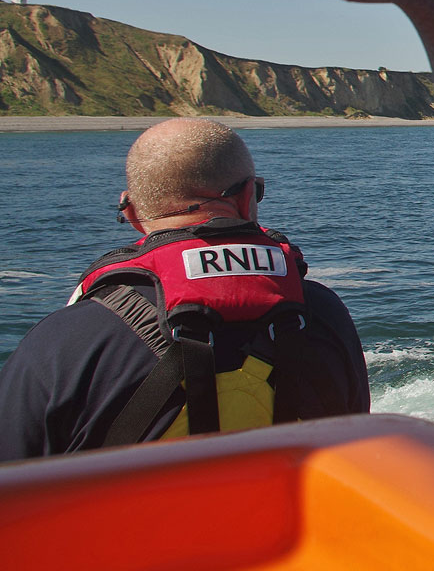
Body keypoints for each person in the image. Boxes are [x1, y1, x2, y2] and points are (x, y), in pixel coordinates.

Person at [0, 118, 370, 461]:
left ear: (131, 214)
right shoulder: (322, 312)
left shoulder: (64, 341)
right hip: (290, 529)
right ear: (246, 198)